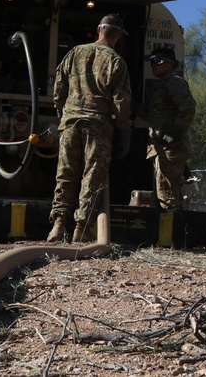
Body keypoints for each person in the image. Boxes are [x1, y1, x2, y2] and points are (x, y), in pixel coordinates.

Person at [47, 13, 133, 243]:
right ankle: (81, 229)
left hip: (70, 123)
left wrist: (62, 111)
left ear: (99, 30)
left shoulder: (75, 52)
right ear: (118, 36)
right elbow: (121, 103)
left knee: (65, 174)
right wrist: (125, 129)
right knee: (91, 177)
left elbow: (58, 87)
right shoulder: (116, 62)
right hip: (98, 126)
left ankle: (57, 225)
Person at [140, 47, 196, 210]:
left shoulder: (174, 82)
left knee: (167, 196)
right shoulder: (162, 86)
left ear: (170, 64)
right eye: (151, 62)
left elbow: (188, 108)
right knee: (163, 194)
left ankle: (173, 233)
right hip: (161, 148)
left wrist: (171, 136)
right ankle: (169, 232)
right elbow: (155, 115)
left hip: (171, 148)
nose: (153, 65)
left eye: (157, 61)